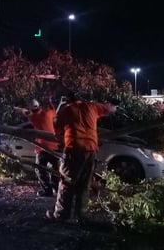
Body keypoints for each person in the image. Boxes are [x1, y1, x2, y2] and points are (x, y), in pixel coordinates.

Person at [47, 93, 116, 222]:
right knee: (84, 184)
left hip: (74, 149)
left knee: (66, 182)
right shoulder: (92, 107)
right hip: (91, 150)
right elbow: (110, 109)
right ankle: (82, 216)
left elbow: (57, 130)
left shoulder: (65, 110)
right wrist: (113, 106)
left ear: (67, 101)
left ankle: (61, 215)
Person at [16, 96, 60, 197]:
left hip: (42, 147)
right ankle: (56, 189)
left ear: (31, 108)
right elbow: (53, 110)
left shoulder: (33, 117)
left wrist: (17, 109)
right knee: (54, 169)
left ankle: (47, 190)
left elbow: (24, 112)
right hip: (54, 146)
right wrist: (49, 101)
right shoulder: (49, 113)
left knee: (40, 169)